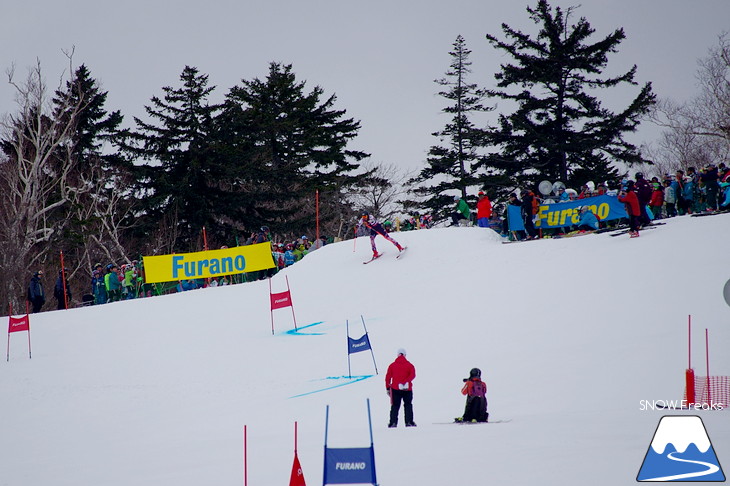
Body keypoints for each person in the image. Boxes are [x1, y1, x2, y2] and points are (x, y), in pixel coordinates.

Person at [385, 348, 416, 428]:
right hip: (407, 389)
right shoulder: (410, 365)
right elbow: (413, 375)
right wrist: (406, 381)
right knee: (408, 405)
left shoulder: (392, 365)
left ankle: (393, 423)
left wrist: (388, 388)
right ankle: (409, 422)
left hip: (395, 389)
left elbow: (388, 377)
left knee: (395, 406)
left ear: (397, 355)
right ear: (405, 355)